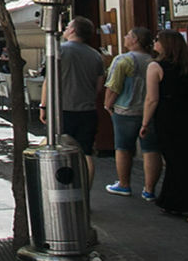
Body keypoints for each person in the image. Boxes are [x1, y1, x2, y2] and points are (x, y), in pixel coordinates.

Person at [141, 27, 188, 224]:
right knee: (186, 161)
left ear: (165, 44)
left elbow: (151, 99)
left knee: (176, 162)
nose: (154, 42)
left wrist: (145, 122)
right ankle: (172, 201)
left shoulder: (155, 67)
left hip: (169, 119)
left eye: (157, 39)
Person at [103, 26, 156, 199]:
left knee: (123, 148)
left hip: (125, 110)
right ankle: (149, 189)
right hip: (150, 111)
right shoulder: (153, 60)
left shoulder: (123, 60)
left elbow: (114, 86)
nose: (125, 37)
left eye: (128, 35)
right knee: (151, 149)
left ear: (135, 40)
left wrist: (107, 105)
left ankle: (124, 184)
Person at [50, 16, 106, 160]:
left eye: (68, 26)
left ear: (73, 30)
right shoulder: (96, 55)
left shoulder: (58, 51)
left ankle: (67, 182)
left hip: (63, 109)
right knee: (86, 152)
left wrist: (44, 106)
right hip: (88, 110)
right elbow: (99, 87)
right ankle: (87, 182)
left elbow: (48, 81)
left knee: (62, 152)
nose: (65, 29)